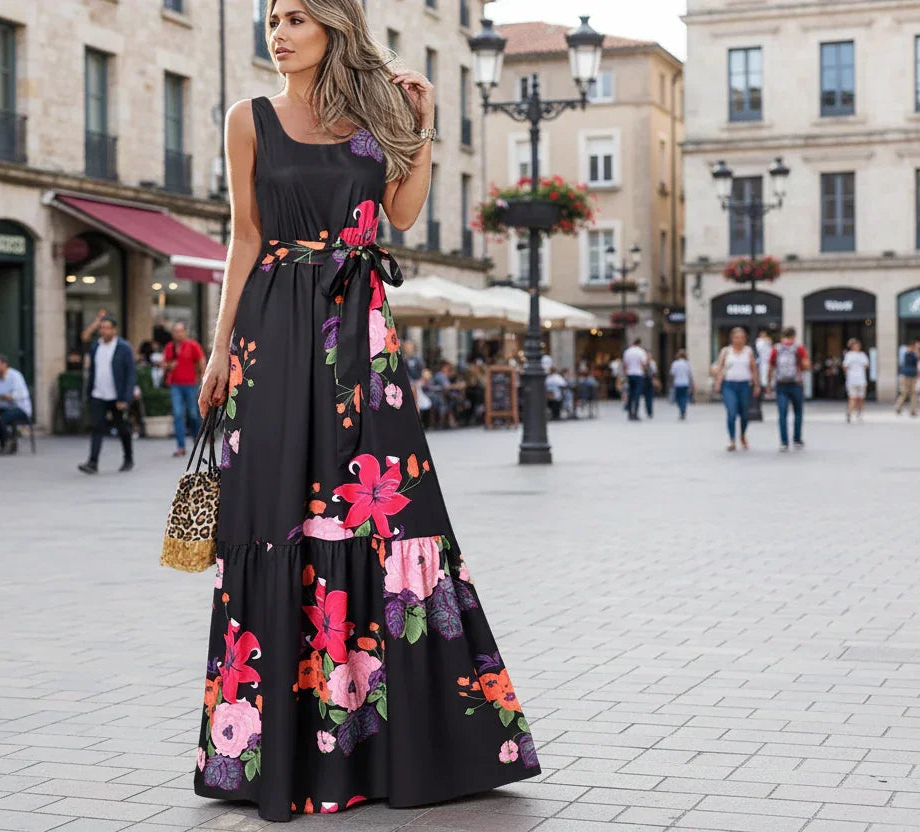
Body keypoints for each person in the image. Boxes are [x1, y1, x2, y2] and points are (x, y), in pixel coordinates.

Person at [190, 6, 538, 819]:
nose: (279, 31)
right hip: (269, 336)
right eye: (271, 17)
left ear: (335, 27)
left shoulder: (371, 120)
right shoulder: (249, 119)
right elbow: (244, 237)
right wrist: (217, 350)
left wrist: (422, 126)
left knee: (389, 518)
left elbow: (405, 215)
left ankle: (405, 748)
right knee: (278, 519)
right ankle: (275, 757)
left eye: (297, 17)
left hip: (359, 337)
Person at [79, 315, 136, 474]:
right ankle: (92, 462)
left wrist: (125, 398)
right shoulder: (96, 346)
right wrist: (89, 393)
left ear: (114, 330)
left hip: (116, 396)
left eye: (106, 328)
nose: (103, 331)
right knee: (97, 428)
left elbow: (130, 374)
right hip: (98, 394)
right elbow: (92, 369)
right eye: (101, 328)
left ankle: (128, 458)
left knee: (123, 428)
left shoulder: (123, 347)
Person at [712, 326, 760, 451]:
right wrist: (717, 382)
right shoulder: (726, 351)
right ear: (732, 339)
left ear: (745, 339)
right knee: (731, 412)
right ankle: (732, 439)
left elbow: (753, 369)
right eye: (736, 337)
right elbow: (719, 367)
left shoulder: (748, 351)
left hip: (744, 385)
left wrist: (756, 385)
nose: (739, 340)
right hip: (729, 385)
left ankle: (743, 435)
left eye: (741, 337)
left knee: (744, 414)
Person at [162, 321, 206, 456]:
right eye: (175, 331)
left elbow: (201, 360)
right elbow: (164, 364)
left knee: (193, 414)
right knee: (178, 414)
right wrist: (169, 366)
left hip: (191, 384)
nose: (178, 334)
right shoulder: (169, 347)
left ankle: (197, 437)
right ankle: (180, 446)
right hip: (175, 385)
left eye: (180, 331)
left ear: (185, 332)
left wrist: (204, 378)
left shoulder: (192, 345)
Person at [769, 326, 810, 452]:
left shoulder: (777, 348)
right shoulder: (799, 348)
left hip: (781, 384)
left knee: (782, 414)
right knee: (798, 412)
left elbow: (771, 366)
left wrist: (768, 383)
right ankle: (797, 439)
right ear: (794, 335)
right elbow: (806, 365)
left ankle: (784, 442)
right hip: (796, 384)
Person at [0, 355, 32, 453]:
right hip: (1, 407)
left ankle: (7, 443)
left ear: (4, 365)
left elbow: (17, 395)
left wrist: (1, 397)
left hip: (19, 408)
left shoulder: (15, 376)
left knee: (3, 418)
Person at [842, 338, 870, 422]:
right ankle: (850, 413)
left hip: (861, 379)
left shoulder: (862, 355)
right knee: (852, 397)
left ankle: (859, 412)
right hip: (852, 380)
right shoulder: (849, 355)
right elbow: (845, 366)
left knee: (861, 397)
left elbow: (866, 365)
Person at [621, 338, 648, 421]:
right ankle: (635, 413)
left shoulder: (627, 351)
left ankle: (630, 413)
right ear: (639, 344)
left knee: (630, 394)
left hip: (630, 374)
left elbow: (624, 365)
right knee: (637, 394)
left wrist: (626, 374)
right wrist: (644, 372)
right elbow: (643, 364)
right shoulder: (641, 352)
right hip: (638, 374)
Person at [895, 339, 920, 417]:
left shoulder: (914, 353)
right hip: (906, 374)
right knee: (905, 392)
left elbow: (917, 362)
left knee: (913, 393)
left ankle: (913, 410)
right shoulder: (907, 353)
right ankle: (898, 407)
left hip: (913, 374)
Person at [669, 350, 693, 420]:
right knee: (684, 398)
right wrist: (692, 384)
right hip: (685, 383)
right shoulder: (687, 363)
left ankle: (681, 409)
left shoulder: (675, 363)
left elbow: (672, 374)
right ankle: (683, 410)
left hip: (677, 383)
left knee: (678, 398)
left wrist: (672, 382)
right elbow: (690, 375)